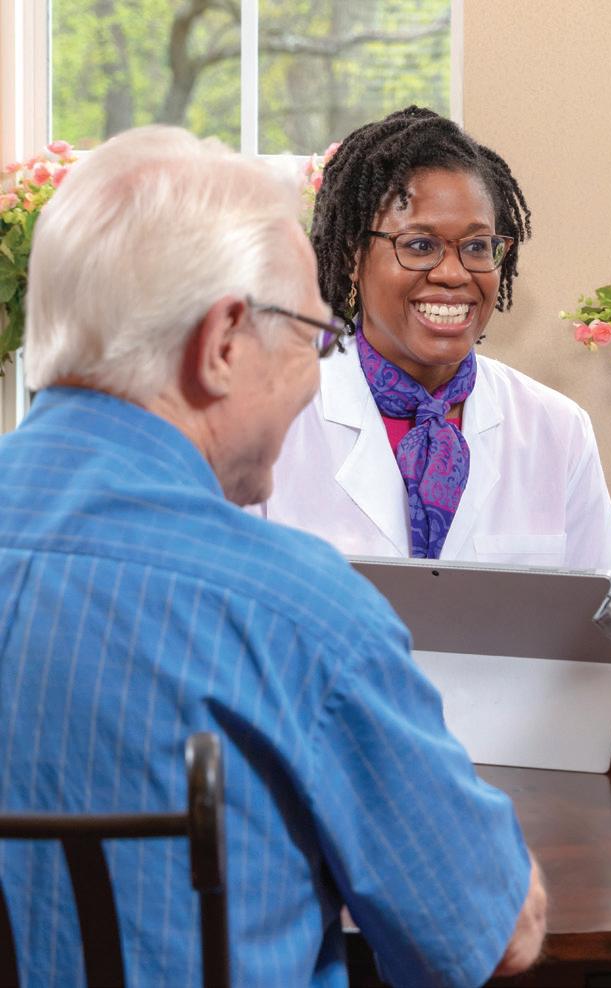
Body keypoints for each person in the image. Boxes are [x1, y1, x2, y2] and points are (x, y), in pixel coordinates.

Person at [0, 126, 546, 984]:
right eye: (308, 336)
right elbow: (488, 933)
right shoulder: (298, 613)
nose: (315, 373)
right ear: (223, 343)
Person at [262, 106, 611, 569]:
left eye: (476, 247)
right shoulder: (271, 421)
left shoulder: (557, 430)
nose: (453, 274)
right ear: (354, 256)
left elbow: (599, 609)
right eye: (419, 245)